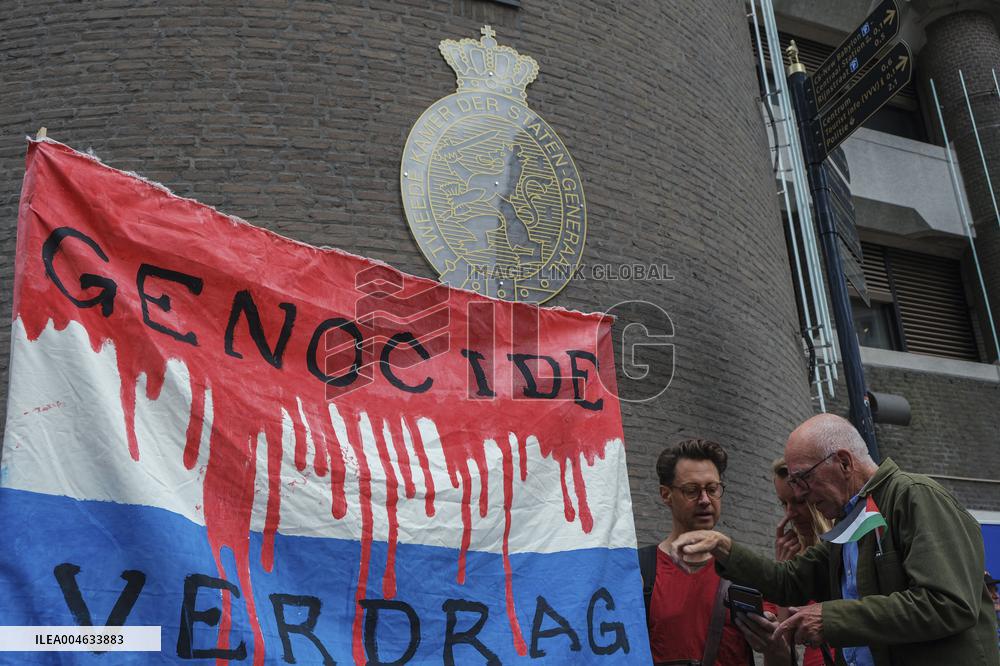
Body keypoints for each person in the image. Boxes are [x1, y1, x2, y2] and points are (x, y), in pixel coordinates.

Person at [673, 414, 1000, 666]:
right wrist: (722, 546)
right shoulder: (851, 521)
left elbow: (948, 605)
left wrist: (830, 618)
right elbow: (788, 581)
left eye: (803, 478)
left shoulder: (914, 497)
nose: (799, 494)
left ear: (844, 462)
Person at [638, 438, 791, 665]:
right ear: (665, 494)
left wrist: (776, 647)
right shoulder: (641, 571)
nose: (705, 500)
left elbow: (779, 659)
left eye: (712, 489)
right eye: (692, 490)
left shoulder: (747, 571)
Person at [771, 457, 833, 666]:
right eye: (783, 503)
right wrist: (782, 576)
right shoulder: (793, 556)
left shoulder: (852, 546)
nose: (790, 513)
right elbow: (781, 651)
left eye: (799, 501)